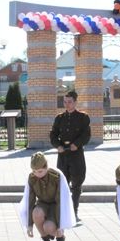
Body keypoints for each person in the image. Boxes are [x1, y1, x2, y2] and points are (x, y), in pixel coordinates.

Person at [18, 152, 75, 241]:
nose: (37, 174)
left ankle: (60, 237)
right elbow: (30, 200)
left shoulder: (57, 176)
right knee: (36, 213)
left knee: (48, 227)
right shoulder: (32, 178)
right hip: (43, 204)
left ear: (46, 167)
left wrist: (60, 226)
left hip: (56, 206)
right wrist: (29, 224)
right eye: (34, 171)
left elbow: (60, 201)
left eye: (40, 171)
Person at [49, 90, 91, 221]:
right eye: (65, 102)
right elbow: (53, 134)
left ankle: (74, 210)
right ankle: (63, 212)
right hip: (63, 155)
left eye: (70, 102)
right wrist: (57, 145)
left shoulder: (83, 117)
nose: (67, 104)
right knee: (62, 183)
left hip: (76, 154)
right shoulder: (59, 118)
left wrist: (77, 144)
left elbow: (86, 134)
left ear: (75, 102)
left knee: (76, 184)